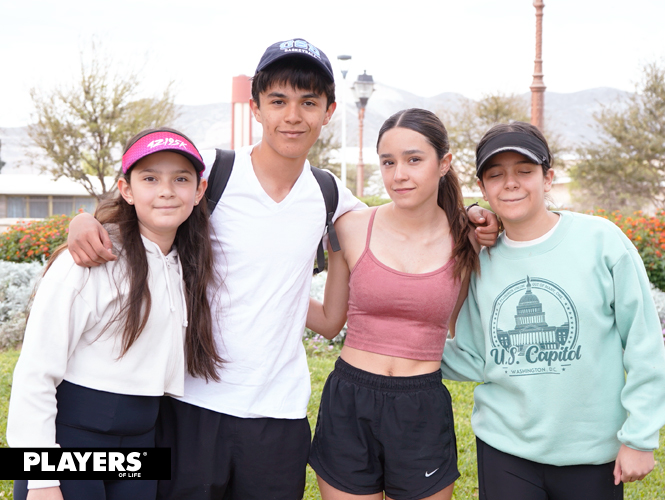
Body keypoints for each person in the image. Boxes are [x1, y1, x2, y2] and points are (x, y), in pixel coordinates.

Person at [65, 40, 499, 500]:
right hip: (192, 403)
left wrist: (471, 213)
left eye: (308, 102)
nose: (293, 116)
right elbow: (139, 198)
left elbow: (405, 218)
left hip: (279, 416)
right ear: (256, 108)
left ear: (328, 111)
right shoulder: (213, 170)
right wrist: (84, 219)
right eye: (278, 101)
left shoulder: (329, 194)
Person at [441, 121, 665, 500]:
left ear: (548, 178)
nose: (510, 183)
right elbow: (475, 354)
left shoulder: (601, 241)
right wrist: (396, 354)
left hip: (591, 451)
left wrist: (641, 436)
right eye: (496, 175)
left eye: (524, 171)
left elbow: (643, 344)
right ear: (483, 188)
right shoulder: (481, 256)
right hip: (505, 448)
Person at [7, 128, 220, 500]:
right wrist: (41, 478)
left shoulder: (186, 262)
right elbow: (35, 370)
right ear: (126, 190)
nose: (166, 190)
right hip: (72, 440)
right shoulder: (88, 260)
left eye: (181, 179)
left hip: (141, 442)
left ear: (199, 191)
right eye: (150, 178)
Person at [306, 108, 480, 500]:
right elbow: (331, 321)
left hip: (422, 406)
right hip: (349, 400)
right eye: (388, 162)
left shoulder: (470, 237)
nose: (398, 174)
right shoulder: (349, 228)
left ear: (444, 163)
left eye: (413, 159)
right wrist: (264, 290)